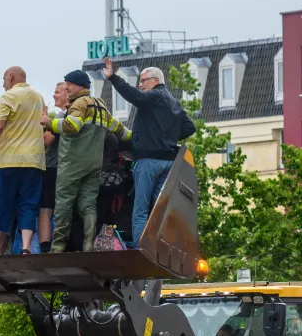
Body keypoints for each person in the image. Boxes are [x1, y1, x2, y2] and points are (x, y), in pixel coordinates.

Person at [103, 57, 196, 247]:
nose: (140, 85)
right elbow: (189, 127)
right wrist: (167, 138)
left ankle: (141, 249)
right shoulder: (174, 102)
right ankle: (166, 245)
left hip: (148, 162)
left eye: (143, 81)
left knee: (141, 210)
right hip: (169, 164)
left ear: (155, 80)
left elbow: (135, 97)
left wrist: (113, 78)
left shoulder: (155, 96)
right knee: (160, 209)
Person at [45, 70, 131, 252]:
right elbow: (119, 129)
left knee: (63, 202)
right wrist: (136, 138)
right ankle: (88, 244)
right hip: (94, 164)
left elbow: (72, 126)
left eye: (68, 85)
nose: (66, 89)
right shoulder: (100, 105)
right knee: (88, 204)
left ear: (78, 86)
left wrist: (48, 123)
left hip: (73, 163)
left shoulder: (79, 103)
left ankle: (58, 246)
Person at [0, 66, 46, 255]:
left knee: (0, 202)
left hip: (9, 160)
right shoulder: (38, 97)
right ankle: (26, 247)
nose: (3, 83)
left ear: (10, 77)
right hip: (34, 161)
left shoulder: (8, 96)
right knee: (28, 204)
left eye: (3, 79)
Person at [38, 82, 68, 253]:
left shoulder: (60, 117)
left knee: (46, 208)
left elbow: (46, 140)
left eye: (57, 92)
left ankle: (46, 246)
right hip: (66, 167)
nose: (54, 95)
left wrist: (44, 121)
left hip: (52, 166)